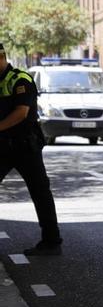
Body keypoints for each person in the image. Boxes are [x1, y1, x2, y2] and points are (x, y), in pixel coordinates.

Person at [0, 42, 62, 256]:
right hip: (2, 146)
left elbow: (21, 112)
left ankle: (52, 241)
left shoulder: (21, 79)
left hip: (25, 146)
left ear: (1, 58)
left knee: (40, 191)